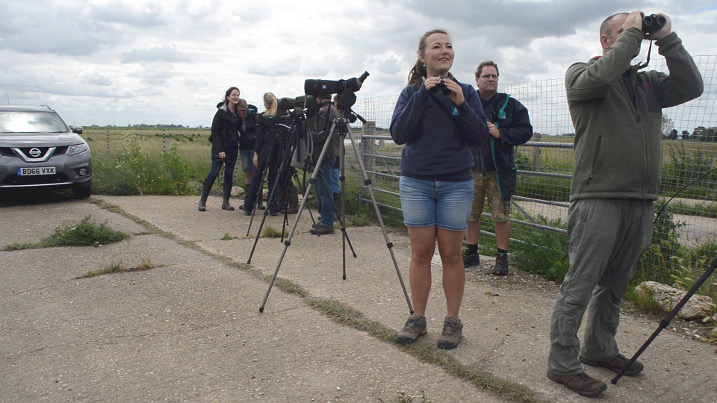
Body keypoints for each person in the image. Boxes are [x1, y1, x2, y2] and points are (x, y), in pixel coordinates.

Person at [547, 11, 703, 398]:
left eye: (636, 34)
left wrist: (667, 38)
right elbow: (603, 76)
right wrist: (632, 33)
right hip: (597, 196)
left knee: (614, 285)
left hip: (641, 198)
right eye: (622, 34)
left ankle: (599, 349)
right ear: (606, 41)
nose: (633, 39)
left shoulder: (649, 83)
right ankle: (562, 363)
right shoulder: (583, 75)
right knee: (580, 284)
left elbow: (693, 86)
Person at [390, 28, 489, 349]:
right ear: (423, 56)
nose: (444, 50)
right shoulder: (410, 94)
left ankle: (452, 322)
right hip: (416, 182)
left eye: (449, 46)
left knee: (451, 255)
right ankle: (417, 319)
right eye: (437, 46)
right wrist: (421, 94)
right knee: (420, 253)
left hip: (456, 183)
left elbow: (478, 136)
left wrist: (460, 102)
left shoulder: (467, 92)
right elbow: (400, 134)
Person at [462, 61, 533, 275]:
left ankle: (502, 258)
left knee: (501, 216)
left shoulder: (510, 105)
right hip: (471, 169)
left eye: (494, 76)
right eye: (486, 76)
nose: (491, 79)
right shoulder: (465, 101)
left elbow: (526, 131)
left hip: (499, 171)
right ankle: (471, 253)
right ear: (477, 79)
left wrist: (501, 133)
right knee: (470, 214)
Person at [198, 87, 241, 212]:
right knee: (214, 172)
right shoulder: (221, 113)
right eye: (233, 95)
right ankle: (202, 200)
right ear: (228, 97)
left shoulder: (237, 113)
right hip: (220, 148)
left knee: (229, 174)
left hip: (233, 148)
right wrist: (220, 150)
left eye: (237, 95)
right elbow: (215, 133)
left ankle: (226, 202)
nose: (236, 97)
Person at [242, 92, 281, 215]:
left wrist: (256, 153)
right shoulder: (280, 117)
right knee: (274, 177)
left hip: (265, 148)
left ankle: (249, 206)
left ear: (265, 103)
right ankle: (273, 206)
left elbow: (259, 137)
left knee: (258, 176)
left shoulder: (261, 117)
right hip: (278, 148)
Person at [308, 93, 340, 235]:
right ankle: (326, 218)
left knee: (323, 190)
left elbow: (319, 135)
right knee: (325, 187)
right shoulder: (333, 110)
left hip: (324, 155)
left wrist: (309, 131)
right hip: (330, 153)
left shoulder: (324, 111)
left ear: (318, 98)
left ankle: (327, 222)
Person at [237, 99, 257, 191]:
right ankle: (248, 200)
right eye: (239, 111)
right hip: (244, 147)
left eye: (243, 111)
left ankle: (258, 201)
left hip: (254, 147)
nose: (241, 113)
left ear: (247, 109)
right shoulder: (237, 117)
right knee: (248, 173)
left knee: (256, 174)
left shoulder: (253, 116)